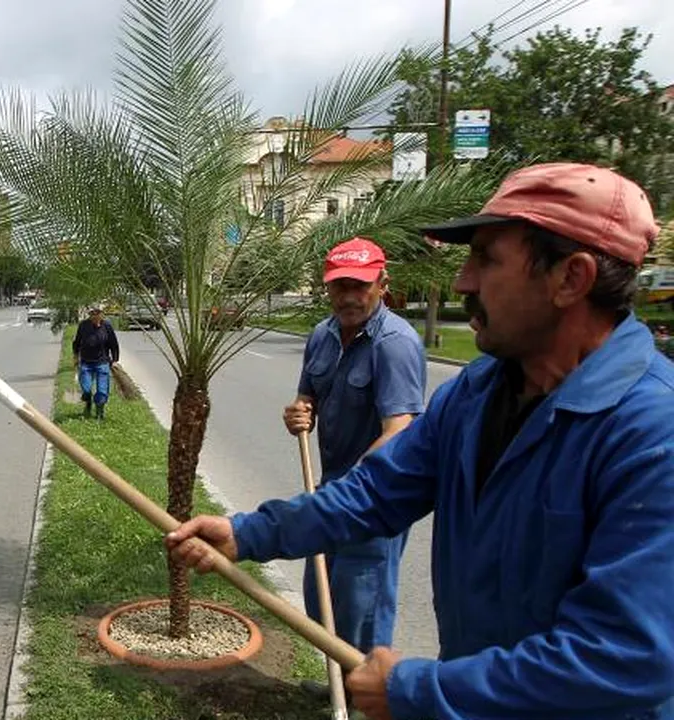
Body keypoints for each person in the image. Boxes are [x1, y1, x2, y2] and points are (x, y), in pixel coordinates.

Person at [165, 162, 674, 720]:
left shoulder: (652, 433)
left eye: (486, 259)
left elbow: (625, 657)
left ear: (570, 279)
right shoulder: (476, 392)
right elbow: (376, 493)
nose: (462, 282)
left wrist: (420, 692)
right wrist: (249, 532)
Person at [283, 236, 427, 699]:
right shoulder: (322, 336)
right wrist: (299, 413)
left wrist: (352, 491)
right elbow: (307, 399)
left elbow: (399, 430)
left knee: (363, 609)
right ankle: (340, 687)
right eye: (340, 285)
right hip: (330, 491)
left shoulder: (396, 344)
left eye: (359, 285)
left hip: (373, 500)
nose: (349, 295)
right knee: (322, 597)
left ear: (382, 284)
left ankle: (371, 702)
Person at [72, 306, 119, 419]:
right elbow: (77, 342)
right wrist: (75, 356)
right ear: (90, 314)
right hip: (86, 362)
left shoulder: (107, 326)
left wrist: (115, 360)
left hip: (102, 362)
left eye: (98, 313)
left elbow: (113, 343)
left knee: (102, 390)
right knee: (86, 389)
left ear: (102, 314)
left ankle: (99, 413)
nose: (95, 315)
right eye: (93, 313)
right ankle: (88, 402)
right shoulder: (83, 325)